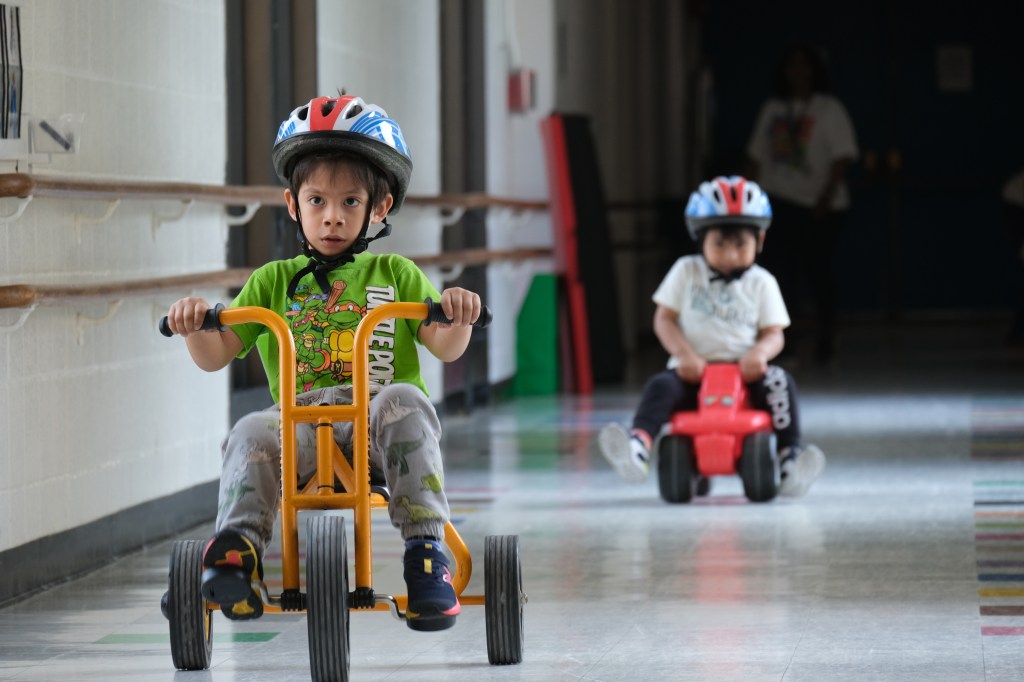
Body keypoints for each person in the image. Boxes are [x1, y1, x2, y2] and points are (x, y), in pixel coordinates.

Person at [164, 94, 482, 632]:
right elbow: (216, 354)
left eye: (351, 202)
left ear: (378, 208)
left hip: (379, 434)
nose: (332, 215)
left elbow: (444, 344)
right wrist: (197, 326)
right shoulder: (271, 282)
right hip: (300, 430)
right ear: (293, 204)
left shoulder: (396, 273)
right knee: (250, 429)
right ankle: (237, 552)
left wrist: (458, 315)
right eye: (317, 201)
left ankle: (427, 555)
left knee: (407, 399)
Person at [598, 176, 826, 497]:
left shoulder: (762, 283)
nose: (730, 255)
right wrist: (685, 354)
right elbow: (664, 319)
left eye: (740, 245)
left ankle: (790, 456)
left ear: (759, 241)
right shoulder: (686, 271)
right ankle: (638, 447)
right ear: (700, 239)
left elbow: (774, 334)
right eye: (719, 244)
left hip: (746, 373)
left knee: (781, 383)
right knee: (660, 386)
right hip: (694, 371)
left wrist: (759, 355)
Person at [743, 43, 858, 364]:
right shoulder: (772, 109)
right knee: (780, 273)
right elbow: (754, 157)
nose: (797, 72)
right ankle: (782, 337)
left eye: (803, 65)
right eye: (790, 66)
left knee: (818, 270)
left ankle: (826, 334)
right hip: (778, 199)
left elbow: (842, 156)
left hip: (821, 205)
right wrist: (745, 200)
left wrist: (824, 196)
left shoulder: (828, 108)